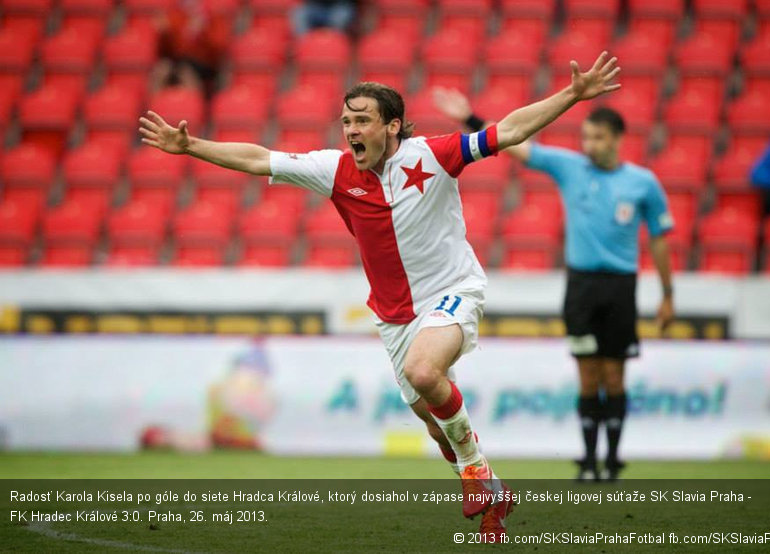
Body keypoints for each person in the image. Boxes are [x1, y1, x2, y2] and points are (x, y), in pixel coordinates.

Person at [139, 52, 621, 538]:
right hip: (395, 318)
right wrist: (191, 146)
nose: (351, 130)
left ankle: (476, 475)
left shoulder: (433, 155)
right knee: (436, 427)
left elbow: (510, 131)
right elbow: (258, 157)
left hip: (453, 290)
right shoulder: (334, 170)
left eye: (362, 120)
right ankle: (493, 496)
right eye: (346, 121)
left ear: (392, 127)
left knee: (423, 371)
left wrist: (572, 94)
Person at [433, 90, 675, 482]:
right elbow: (519, 147)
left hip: (620, 288)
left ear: (616, 138)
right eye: (586, 137)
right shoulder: (570, 167)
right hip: (580, 287)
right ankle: (588, 459)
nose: (589, 145)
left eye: (597, 137)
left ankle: (612, 462)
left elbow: (660, 240)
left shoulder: (642, 183)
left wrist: (667, 295)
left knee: (614, 376)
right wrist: (472, 120)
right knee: (587, 376)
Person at [292, 0, 357, 36]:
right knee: (299, 13)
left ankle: (332, 45)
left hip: (339, 6)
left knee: (342, 15)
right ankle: (305, 45)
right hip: (315, 6)